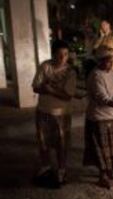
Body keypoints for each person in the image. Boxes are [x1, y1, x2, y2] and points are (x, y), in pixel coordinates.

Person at [83, 46, 113, 189]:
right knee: (102, 149)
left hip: (111, 116)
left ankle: (111, 172)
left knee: (112, 148)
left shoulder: (111, 73)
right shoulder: (95, 75)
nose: (110, 64)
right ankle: (103, 176)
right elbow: (102, 99)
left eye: (112, 61)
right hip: (98, 117)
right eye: (108, 61)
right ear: (100, 61)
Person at [32, 40, 77, 187]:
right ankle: (46, 167)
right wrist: (53, 90)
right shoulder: (45, 66)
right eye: (59, 54)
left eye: (65, 54)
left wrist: (49, 89)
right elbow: (36, 87)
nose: (63, 57)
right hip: (43, 110)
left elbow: (68, 95)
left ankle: (62, 169)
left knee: (61, 143)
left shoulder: (70, 72)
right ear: (53, 54)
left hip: (61, 113)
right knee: (43, 141)